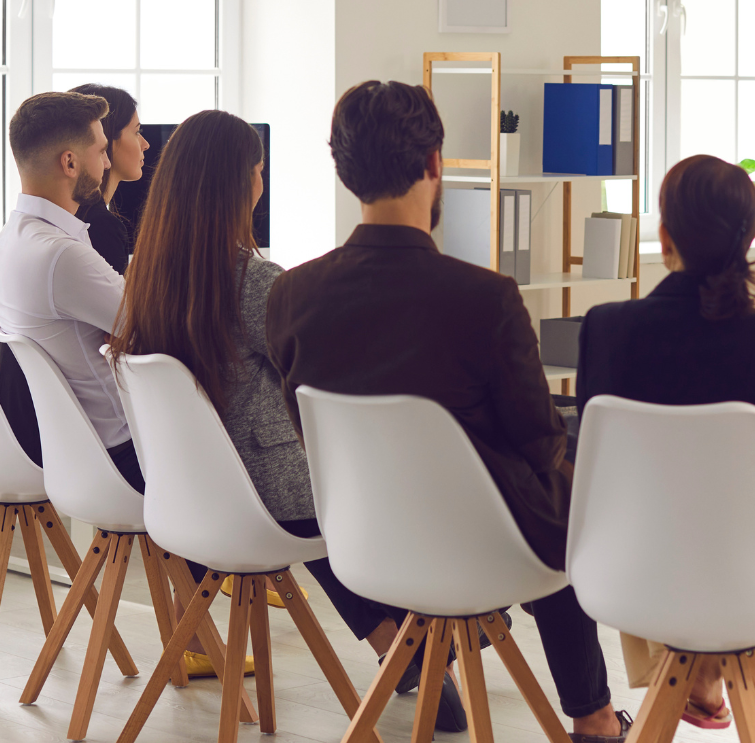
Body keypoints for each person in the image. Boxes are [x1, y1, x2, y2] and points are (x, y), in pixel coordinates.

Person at [267, 81, 631, 743]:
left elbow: (311, 434)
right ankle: (594, 717)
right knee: (569, 481)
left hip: (366, 545)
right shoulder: (485, 298)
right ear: (435, 164)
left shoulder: (290, 295)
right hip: (484, 548)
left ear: (344, 171)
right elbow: (537, 440)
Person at [105, 111, 467, 712]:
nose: (262, 182)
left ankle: (409, 648)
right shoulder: (253, 281)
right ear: (240, 184)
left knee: (335, 495)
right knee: (389, 485)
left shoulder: (147, 274)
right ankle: (429, 644)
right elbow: (328, 377)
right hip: (269, 500)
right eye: (259, 171)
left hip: (188, 499)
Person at [576, 154, 755, 727]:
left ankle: (696, 671)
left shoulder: (605, 329)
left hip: (634, 574)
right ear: (749, 237)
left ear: (665, 235)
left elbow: (592, 475)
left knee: (716, 557)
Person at [0, 92, 139, 482]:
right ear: (70, 162)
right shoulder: (61, 255)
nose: (107, 163)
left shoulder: (13, 239)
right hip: (122, 459)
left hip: (71, 454)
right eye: (101, 151)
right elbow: (153, 325)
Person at [68, 83, 149, 276]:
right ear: (104, 138)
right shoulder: (102, 227)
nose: (145, 144)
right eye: (137, 132)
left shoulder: (74, 215)